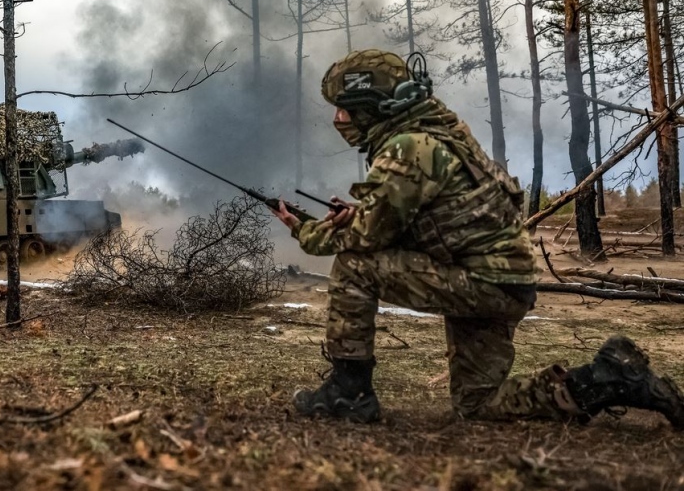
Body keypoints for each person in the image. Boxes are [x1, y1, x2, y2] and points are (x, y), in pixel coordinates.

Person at [271, 48, 684, 427]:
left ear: (373, 108)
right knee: (480, 404)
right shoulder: (440, 135)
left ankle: (349, 393)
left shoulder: (409, 146)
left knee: (354, 267)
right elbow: (427, 218)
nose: (337, 119)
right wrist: (360, 215)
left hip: (481, 283)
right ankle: (608, 379)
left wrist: (305, 229)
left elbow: (365, 240)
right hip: (500, 283)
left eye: (345, 109)